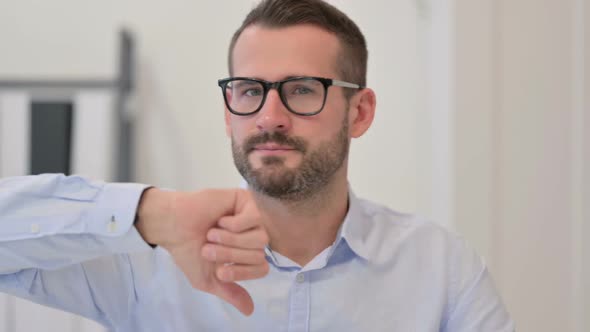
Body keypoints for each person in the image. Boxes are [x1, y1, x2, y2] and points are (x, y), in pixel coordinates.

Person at [0, 0, 515, 331]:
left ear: (359, 113)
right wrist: (150, 213)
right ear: (229, 112)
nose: (270, 117)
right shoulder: (148, 263)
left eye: (301, 90)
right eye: (249, 91)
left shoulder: (441, 271)